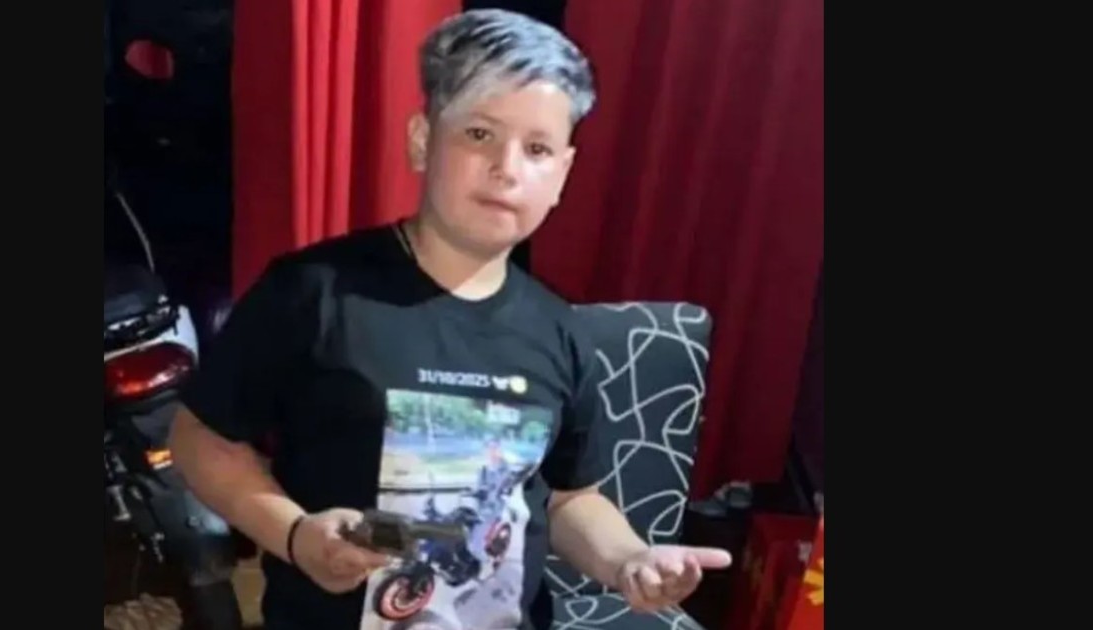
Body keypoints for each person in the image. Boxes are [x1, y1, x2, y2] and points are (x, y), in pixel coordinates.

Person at [169, 8, 731, 629]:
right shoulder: (314, 292)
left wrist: (629, 560)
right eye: (480, 134)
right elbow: (201, 440)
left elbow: (569, 498)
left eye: (537, 148)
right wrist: (297, 535)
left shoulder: (559, 331)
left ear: (562, 175)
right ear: (422, 140)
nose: (506, 168)